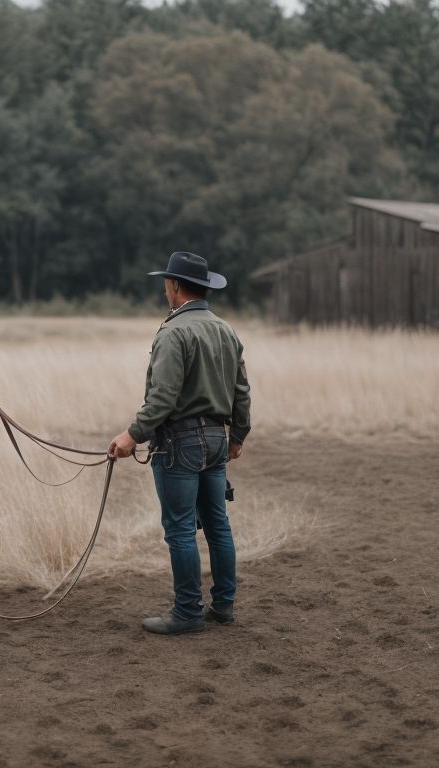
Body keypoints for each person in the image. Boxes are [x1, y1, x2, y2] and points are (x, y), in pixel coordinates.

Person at [109, 251, 252, 636]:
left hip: (180, 444)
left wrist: (131, 436)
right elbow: (241, 391)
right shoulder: (226, 330)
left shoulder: (173, 332)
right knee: (218, 525)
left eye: (165, 283)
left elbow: (162, 398)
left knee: (180, 530)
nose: (164, 289)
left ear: (174, 286)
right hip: (217, 440)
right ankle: (223, 606)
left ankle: (188, 612)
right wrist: (237, 436)